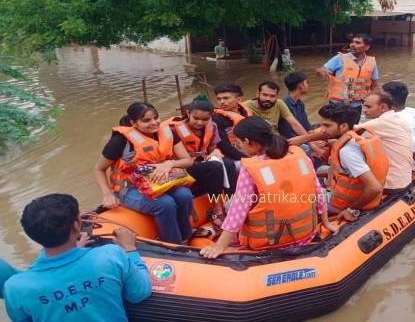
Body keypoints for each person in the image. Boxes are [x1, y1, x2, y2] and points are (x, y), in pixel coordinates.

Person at [199, 117, 335, 259]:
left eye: (239, 143)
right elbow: (318, 193)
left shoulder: (251, 168)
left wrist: (220, 245)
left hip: (267, 243)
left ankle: (216, 229)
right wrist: (326, 223)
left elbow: (238, 210)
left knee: (229, 203)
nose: (240, 147)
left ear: (247, 141)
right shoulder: (301, 157)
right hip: (305, 235)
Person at [3, 194, 151, 322]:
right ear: (76, 226)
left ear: (32, 236)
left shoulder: (15, 288)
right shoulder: (111, 255)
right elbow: (139, 293)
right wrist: (130, 250)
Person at [94, 102, 194, 244]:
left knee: (185, 195)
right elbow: (98, 169)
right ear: (133, 123)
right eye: (146, 120)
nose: (154, 123)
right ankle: (173, 245)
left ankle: (185, 236)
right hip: (128, 189)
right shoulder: (121, 141)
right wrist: (107, 194)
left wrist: (170, 163)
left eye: (156, 118)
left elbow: (187, 160)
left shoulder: (168, 132)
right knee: (165, 204)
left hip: (159, 182)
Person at [161, 96, 239, 219]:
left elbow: (212, 147)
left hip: (203, 163)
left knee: (228, 164)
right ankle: (217, 210)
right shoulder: (174, 130)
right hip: (184, 168)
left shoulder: (212, 126)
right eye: (196, 118)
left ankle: (231, 203)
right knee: (214, 167)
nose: (199, 123)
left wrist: (216, 151)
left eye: (204, 119)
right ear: (188, 113)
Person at [359, 91, 415, 194]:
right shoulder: (400, 119)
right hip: (405, 180)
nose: (364, 110)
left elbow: (347, 132)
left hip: (390, 184)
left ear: (383, 107)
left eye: (368, 107)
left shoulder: (378, 124)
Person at [316, 34, 379, 121]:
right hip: (337, 105)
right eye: (352, 42)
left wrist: (365, 96)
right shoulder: (340, 58)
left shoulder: (371, 62)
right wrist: (321, 72)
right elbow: (323, 70)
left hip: (356, 105)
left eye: (357, 43)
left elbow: (374, 82)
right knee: (335, 130)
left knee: (352, 129)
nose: (353, 45)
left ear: (367, 47)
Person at [212, 84, 251, 161]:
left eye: (226, 98)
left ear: (238, 99)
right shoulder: (216, 118)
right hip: (230, 156)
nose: (222, 102)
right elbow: (224, 146)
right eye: (219, 99)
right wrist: (247, 159)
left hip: (250, 150)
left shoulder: (246, 112)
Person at [278, 72, 313, 138]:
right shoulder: (284, 104)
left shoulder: (300, 103)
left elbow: (305, 123)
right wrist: (311, 141)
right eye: (306, 82)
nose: (308, 85)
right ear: (300, 85)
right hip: (292, 139)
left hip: (303, 136)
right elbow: (287, 132)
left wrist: (313, 135)